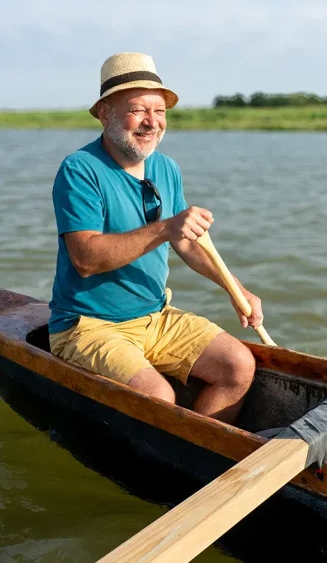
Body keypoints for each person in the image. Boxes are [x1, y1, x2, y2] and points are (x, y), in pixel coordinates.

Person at [49, 52, 265, 424]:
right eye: (138, 110)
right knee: (159, 396)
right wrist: (166, 227)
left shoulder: (166, 168)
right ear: (105, 113)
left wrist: (236, 289)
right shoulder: (80, 169)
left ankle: (205, 457)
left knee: (238, 365)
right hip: (88, 325)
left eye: (160, 111)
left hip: (155, 315)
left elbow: (187, 242)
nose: (152, 122)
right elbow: (85, 258)